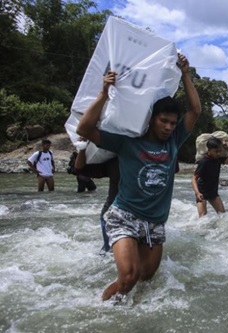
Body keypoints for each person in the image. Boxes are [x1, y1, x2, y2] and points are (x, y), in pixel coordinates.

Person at [76, 53, 201, 301]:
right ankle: (99, 310)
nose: (168, 127)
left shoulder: (174, 142)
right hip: (123, 216)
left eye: (172, 123)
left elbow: (195, 111)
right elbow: (84, 129)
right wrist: (104, 93)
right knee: (129, 276)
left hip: (155, 222)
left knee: (146, 276)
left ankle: (122, 307)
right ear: (151, 119)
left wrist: (186, 74)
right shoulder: (128, 141)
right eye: (163, 121)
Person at [72, 142, 119, 254]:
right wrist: (82, 147)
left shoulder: (115, 160)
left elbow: (79, 168)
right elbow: (79, 168)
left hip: (127, 212)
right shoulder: (114, 161)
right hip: (113, 212)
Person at [191, 136, 228, 217]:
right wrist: (197, 193)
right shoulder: (204, 162)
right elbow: (194, 179)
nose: (218, 153)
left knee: (223, 216)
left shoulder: (218, 159)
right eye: (216, 151)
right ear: (209, 150)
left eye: (220, 151)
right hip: (202, 192)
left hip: (213, 192)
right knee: (202, 218)